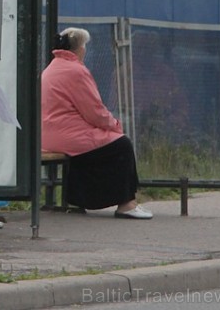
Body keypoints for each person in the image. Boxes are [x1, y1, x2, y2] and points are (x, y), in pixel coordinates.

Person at [41, 27, 152, 219]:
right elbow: (94, 111)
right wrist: (114, 125)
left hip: (50, 135)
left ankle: (79, 199)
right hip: (68, 136)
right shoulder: (76, 71)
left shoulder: (52, 67)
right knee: (122, 144)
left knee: (95, 149)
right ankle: (127, 203)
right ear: (80, 48)